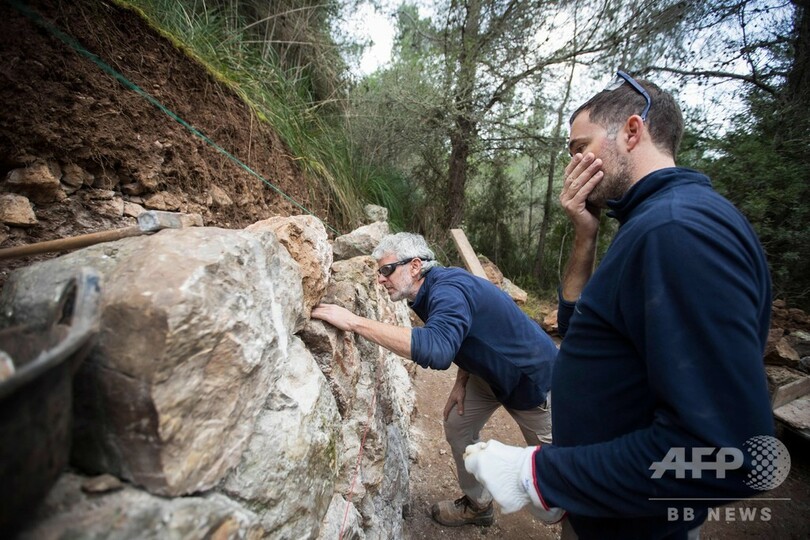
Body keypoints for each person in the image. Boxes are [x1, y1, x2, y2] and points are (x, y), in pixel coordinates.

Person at [463, 71, 775, 539]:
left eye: (579, 146)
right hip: (604, 508)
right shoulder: (652, 220)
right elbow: (579, 326)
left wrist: (541, 477)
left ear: (632, 131)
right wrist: (585, 235)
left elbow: (728, 453)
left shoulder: (676, 231)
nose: (572, 164)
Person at [311, 232, 559, 528]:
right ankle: (478, 505)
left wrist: (353, 322)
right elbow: (468, 334)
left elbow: (438, 350)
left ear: (415, 266)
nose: (380, 279)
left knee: (556, 482)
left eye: (386, 270)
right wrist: (462, 381)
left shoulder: (447, 291)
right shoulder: (431, 290)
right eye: (379, 272)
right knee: (458, 425)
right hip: (490, 375)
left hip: (533, 382)